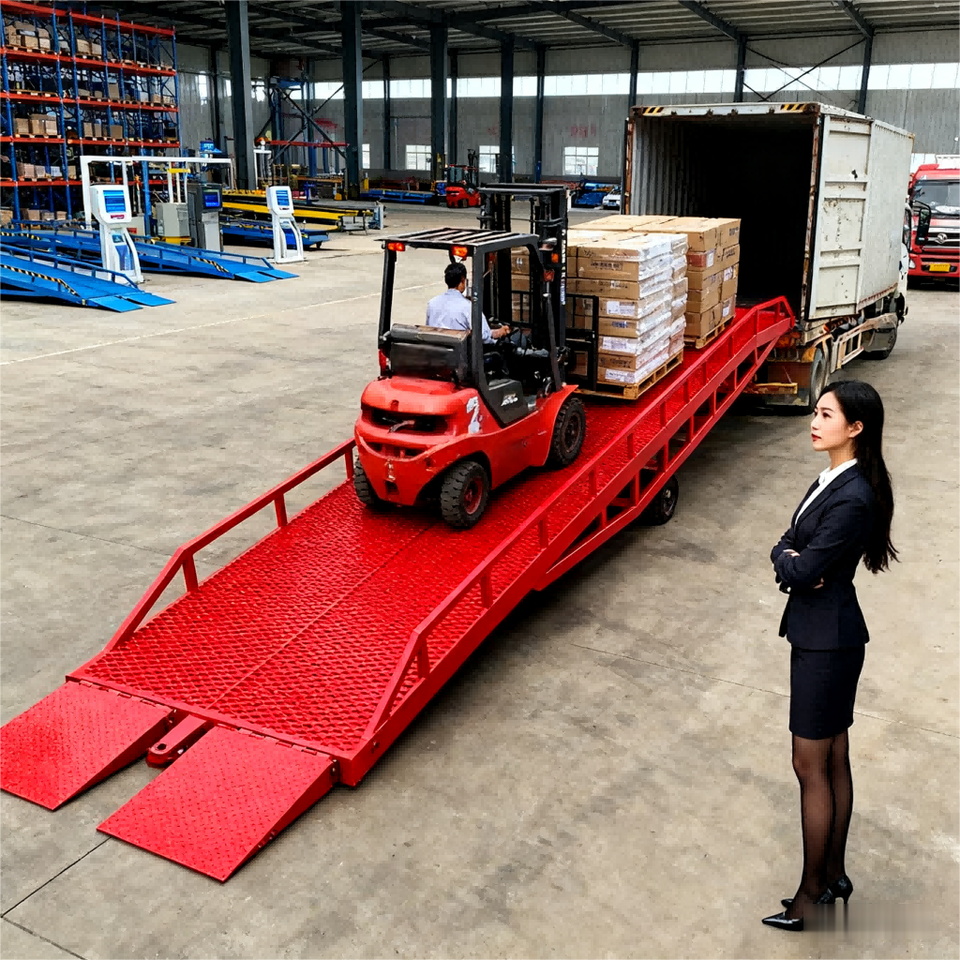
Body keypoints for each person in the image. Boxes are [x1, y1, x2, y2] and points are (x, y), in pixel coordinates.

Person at [763, 379, 898, 933]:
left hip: (828, 644)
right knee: (833, 757)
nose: (814, 422)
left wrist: (792, 560)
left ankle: (809, 895)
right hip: (826, 635)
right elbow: (790, 546)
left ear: (855, 428)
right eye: (815, 412)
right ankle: (834, 875)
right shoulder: (833, 479)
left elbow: (802, 565)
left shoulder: (853, 497)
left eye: (826, 414)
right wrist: (792, 557)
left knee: (809, 765)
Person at [425, 262, 510, 343]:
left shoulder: (432, 303)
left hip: (437, 349)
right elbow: (483, 336)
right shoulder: (468, 307)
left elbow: (429, 329)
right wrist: (499, 334)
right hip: (461, 352)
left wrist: (495, 332)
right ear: (463, 280)